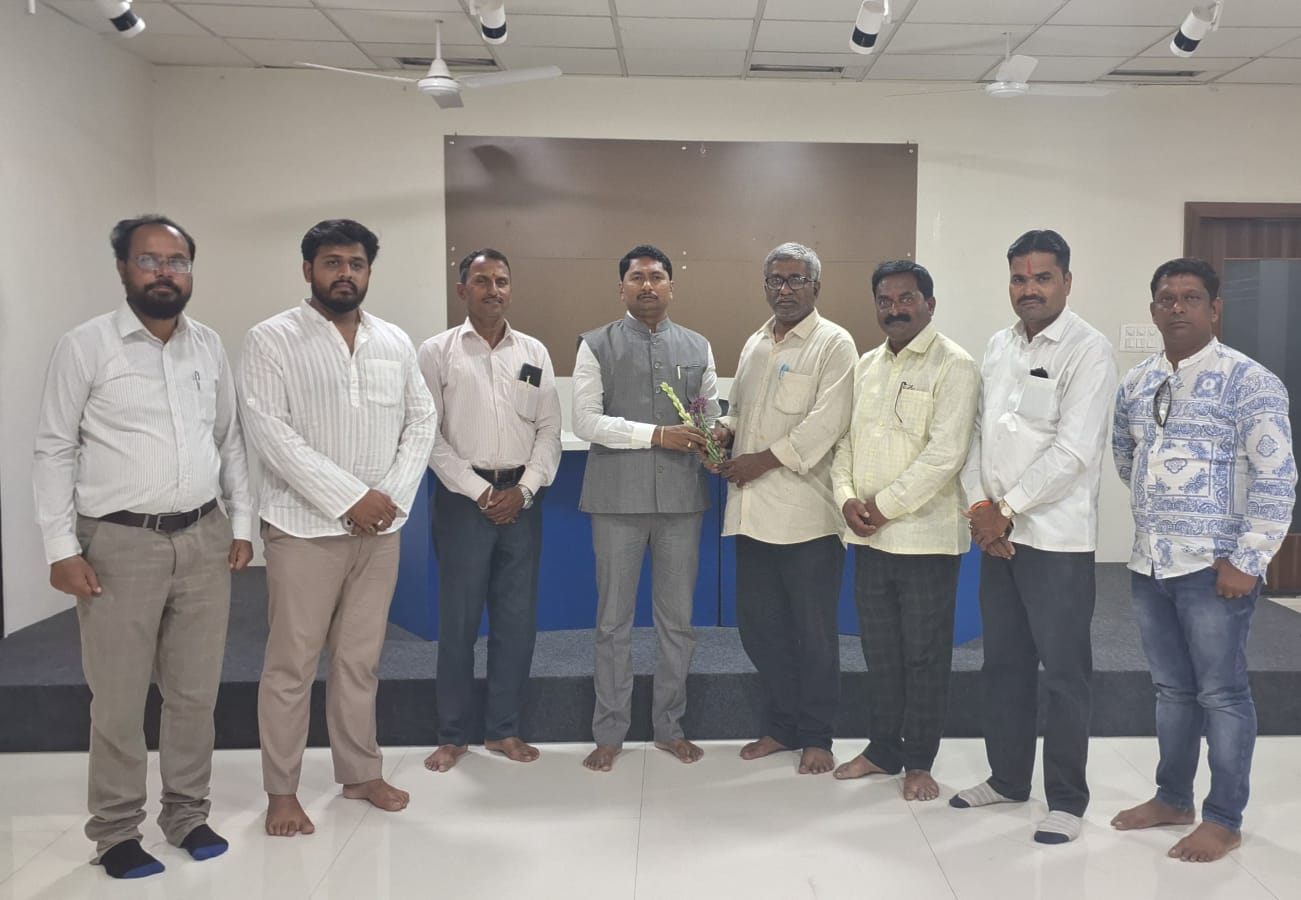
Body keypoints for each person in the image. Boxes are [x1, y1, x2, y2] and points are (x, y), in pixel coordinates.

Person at [32, 215, 253, 878]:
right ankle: (116, 830)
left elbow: (230, 440)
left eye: (177, 261)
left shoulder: (207, 346)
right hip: (118, 543)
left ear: (190, 270)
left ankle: (186, 814)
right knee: (119, 699)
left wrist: (241, 525)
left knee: (194, 695)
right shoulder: (86, 346)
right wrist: (60, 547)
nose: (164, 273)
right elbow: (54, 447)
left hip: (203, 537)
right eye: (149, 260)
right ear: (123, 268)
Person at [239, 218, 437, 837]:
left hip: (379, 534)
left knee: (359, 661)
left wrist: (388, 500)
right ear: (309, 270)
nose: (344, 273)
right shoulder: (271, 339)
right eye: (332, 262)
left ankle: (360, 773)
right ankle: (282, 792)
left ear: (369, 271)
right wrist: (351, 498)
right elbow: (271, 435)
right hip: (303, 530)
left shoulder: (393, 341)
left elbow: (422, 421)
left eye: (355, 263)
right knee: (291, 667)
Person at [1110, 257, 1295, 862]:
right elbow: (1125, 455)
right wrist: (1162, 513)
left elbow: (1277, 478)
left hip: (1216, 569)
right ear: (1153, 309)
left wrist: (1249, 558)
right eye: (1166, 298)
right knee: (1171, 691)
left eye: (1191, 297)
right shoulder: (1137, 382)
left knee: (1222, 694)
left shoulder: (1251, 381)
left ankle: (1224, 818)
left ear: (1214, 308)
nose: (1177, 307)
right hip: (1151, 564)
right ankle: (1172, 798)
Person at [952, 229, 1117, 844]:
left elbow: (1074, 451)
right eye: (1020, 278)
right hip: (997, 535)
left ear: (1066, 282)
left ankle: (1067, 800)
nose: (1030, 289)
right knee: (1004, 664)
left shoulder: (1089, 350)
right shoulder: (998, 346)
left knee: (1065, 672)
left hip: (1056, 541)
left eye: (1043, 277)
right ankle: (1008, 779)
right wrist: (980, 508)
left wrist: (1006, 510)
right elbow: (977, 436)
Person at [829, 260, 979, 800]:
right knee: (880, 651)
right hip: (870, 538)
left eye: (907, 298)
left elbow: (947, 454)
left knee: (924, 655)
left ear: (929, 304)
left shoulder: (955, 365)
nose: (895, 309)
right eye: (885, 301)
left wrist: (883, 506)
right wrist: (846, 498)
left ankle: (919, 760)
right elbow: (844, 441)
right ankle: (882, 749)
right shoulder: (866, 365)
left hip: (925, 539)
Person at [713, 241, 857, 776]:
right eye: (776, 280)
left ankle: (817, 736)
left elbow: (827, 424)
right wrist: (720, 434)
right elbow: (739, 410)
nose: (785, 289)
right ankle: (781, 726)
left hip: (807, 519)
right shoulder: (756, 342)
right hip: (752, 515)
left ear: (816, 286)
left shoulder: (834, 343)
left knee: (814, 635)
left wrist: (760, 461)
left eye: (796, 280)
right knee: (761, 631)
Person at [573, 243, 717, 771]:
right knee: (613, 622)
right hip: (616, 501)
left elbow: (710, 414)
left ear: (672, 286)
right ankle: (609, 732)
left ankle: (669, 728)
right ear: (622, 288)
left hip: (682, 501)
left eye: (657, 276)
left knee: (677, 623)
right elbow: (585, 422)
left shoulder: (698, 345)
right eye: (637, 277)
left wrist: (716, 433)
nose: (648, 285)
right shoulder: (595, 345)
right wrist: (656, 434)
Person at [418, 248, 561, 772]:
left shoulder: (534, 351)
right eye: (482, 281)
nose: (493, 290)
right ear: (462, 290)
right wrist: (479, 492)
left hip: (522, 503)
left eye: (501, 281)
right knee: (458, 622)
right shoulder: (436, 352)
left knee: (516, 622)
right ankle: (453, 734)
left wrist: (524, 490)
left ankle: (504, 729)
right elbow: (428, 435)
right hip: (463, 504)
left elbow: (549, 429)